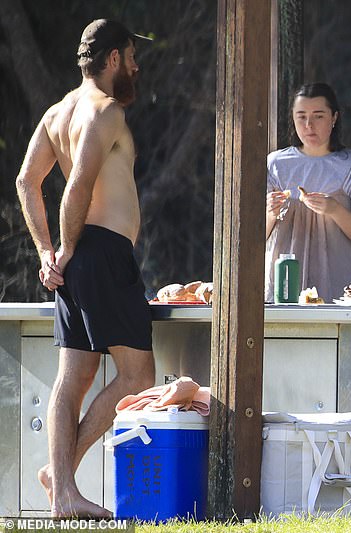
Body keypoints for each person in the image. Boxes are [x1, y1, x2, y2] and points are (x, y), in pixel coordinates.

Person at [15, 19, 155, 518]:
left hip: (79, 258)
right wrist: (67, 248)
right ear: (113, 58)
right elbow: (76, 187)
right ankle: (63, 477)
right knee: (138, 376)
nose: (136, 66)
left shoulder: (57, 113)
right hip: (100, 254)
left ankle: (63, 490)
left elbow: (26, 181)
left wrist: (46, 253)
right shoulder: (106, 111)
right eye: (132, 56)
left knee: (71, 378)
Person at [265, 82, 351, 303]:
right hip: (280, 295)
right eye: (301, 116)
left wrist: (335, 210)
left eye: (318, 116)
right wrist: (271, 213)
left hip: (338, 297)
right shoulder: (275, 164)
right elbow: (251, 238)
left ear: (334, 118)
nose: (309, 125)